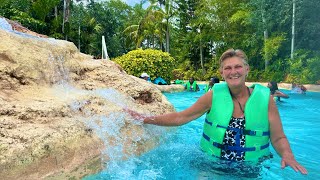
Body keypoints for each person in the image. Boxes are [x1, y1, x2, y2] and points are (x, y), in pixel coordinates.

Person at [126, 48, 307, 174]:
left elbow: (278, 137)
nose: (233, 71)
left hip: (250, 168)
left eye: (238, 67)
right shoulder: (213, 96)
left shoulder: (265, 99)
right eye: (227, 68)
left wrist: (287, 155)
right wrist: (145, 118)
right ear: (222, 73)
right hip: (212, 163)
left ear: (246, 70)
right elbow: (181, 117)